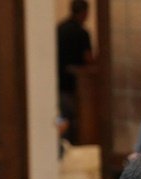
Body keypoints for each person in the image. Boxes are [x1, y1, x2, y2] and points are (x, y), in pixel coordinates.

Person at [57, 0, 93, 143]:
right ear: (84, 13)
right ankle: (73, 145)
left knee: (61, 118)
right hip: (75, 85)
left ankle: (63, 145)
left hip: (58, 81)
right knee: (76, 120)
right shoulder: (82, 33)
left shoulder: (59, 29)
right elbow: (88, 58)